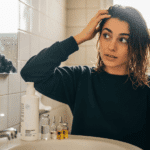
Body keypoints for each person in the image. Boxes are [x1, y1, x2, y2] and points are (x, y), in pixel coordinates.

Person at [20, 4, 150, 150]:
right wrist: (80, 37)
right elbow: (30, 72)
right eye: (106, 35)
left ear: (136, 45)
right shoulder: (81, 78)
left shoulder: (146, 88)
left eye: (123, 40)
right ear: (98, 37)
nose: (111, 47)